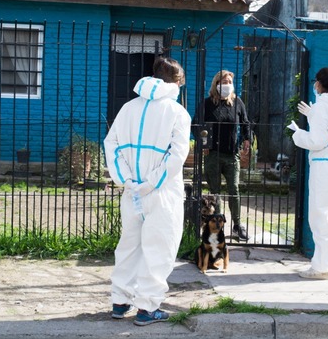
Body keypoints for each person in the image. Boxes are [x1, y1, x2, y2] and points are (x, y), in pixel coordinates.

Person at [103, 56, 191, 326]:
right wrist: (151, 182)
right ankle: (147, 308)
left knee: (129, 246)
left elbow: (112, 144)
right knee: (159, 249)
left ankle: (120, 301)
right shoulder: (177, 113)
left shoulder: (129, 107)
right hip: (162, 193)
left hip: (132, 194)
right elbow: (176, 156)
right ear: (177, 82)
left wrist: (127, 180)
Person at [287, 67, 328, 280]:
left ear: (319, 84)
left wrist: (298, 134)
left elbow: (317, 141)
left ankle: (321, 267)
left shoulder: (321, 107)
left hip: (324, 164)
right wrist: (313, 115)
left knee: (320, 214)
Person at [193, 70, 251, 241]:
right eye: (223, 82)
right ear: (216, 84)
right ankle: (217, 225)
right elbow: (196, 124)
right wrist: (203, 143)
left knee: (234, 189)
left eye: (229, 82)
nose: (227, 85)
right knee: (215, 192)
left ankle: (237, 225)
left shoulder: (237, 102)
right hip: (213, 154)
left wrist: (247, 139)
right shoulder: (207, 104)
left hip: (232, 154)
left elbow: (246, 122)